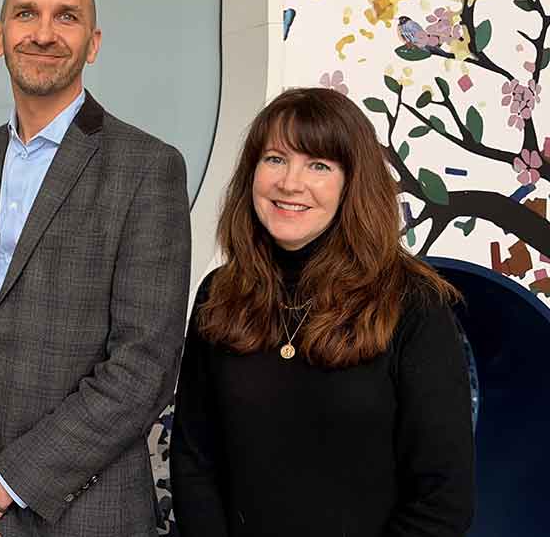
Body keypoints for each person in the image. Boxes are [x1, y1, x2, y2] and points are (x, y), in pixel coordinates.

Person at [0, 0, 191, 537]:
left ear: (93, 43)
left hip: (87, 515)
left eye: (67, 17)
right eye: (26, 14)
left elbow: (143, 367)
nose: (43, 33)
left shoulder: (148, 168)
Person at [170, 87, 475, 537]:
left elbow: (442, 501)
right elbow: (194, 460)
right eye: (275, 159)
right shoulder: (220, 293)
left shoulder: (414, 303)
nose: (290, 183)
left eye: (318, 165)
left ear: (353, 184)